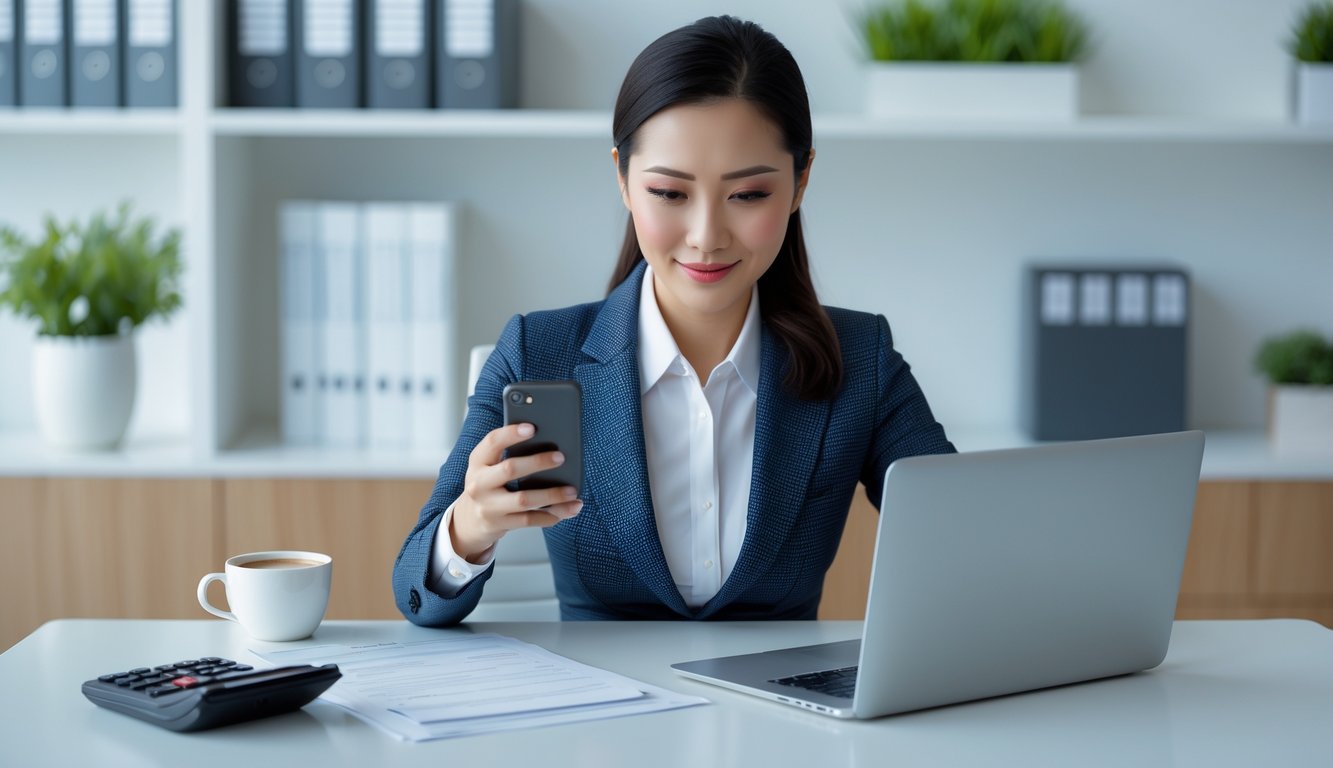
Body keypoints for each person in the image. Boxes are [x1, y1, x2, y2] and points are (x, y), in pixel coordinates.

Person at [393, 15, 954, 625]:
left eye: (748, 195)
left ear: (800, 182)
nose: (707, 236)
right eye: (669, 193)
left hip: (781, 707)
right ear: (623, 180)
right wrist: (469, 527)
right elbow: (413, 592)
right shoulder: (540, 350)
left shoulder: (859, 360)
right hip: (602, 706)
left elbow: (965, 531)